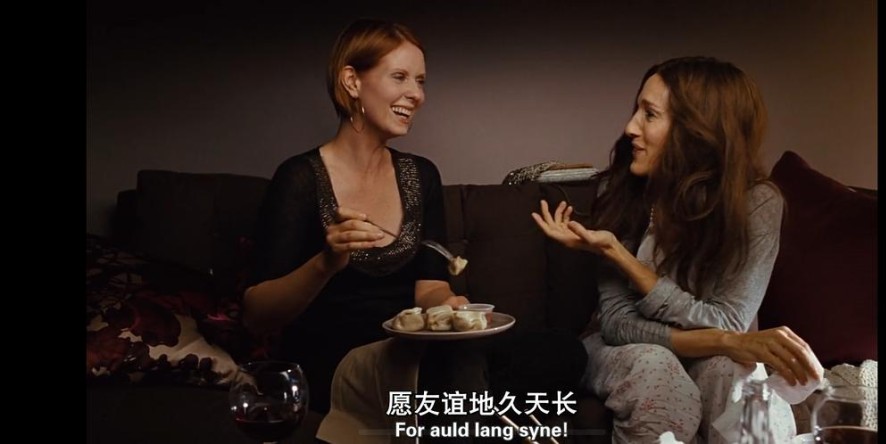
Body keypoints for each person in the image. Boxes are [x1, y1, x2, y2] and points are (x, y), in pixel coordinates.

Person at [243, 18, 586, 443]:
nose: (417, 95)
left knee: (560, 351)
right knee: (454, 368)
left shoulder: (421, 175)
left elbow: (430, 287)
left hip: (420, 350)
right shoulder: (299, 178)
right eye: (400, 77)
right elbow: (257, 315)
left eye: (421, 81)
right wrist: (325, 263)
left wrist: (451, 307)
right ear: (352, 81)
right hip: (340, 359)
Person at [531, 56, 821, 443]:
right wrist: (616, 252)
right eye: (637, 110)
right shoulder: (621, 190)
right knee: (660, 376)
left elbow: (730, 321)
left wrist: (627, 261)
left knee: (735, 381)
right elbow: (618, 325)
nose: (630, 127)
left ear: (697, 131)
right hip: (622, 349)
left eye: (649, 114)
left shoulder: (758, 203)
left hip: (715, 353)